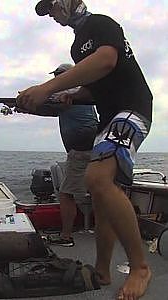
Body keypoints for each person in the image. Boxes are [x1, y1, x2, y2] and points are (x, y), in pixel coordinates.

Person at [16, 1, 153, 299]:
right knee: (101, 197)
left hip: (133, 109)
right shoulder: (78, 46)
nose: (51, 15)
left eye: (51, 8)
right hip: (108, 119)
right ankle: (102, 271)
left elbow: (106, 61)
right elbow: (98, 88)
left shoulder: (100, 24)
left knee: (98, 178)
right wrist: (71, 95)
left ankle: (140, 267)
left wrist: (48, 87)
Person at [17, 63, 98, 246]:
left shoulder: (70, 89)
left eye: (58, 75)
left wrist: (24, 102)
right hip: (95, 146)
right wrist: (27, 109)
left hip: (81, 149)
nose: (56, 79)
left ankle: (66, 237)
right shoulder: (76, 95)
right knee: (98, 191)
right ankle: (106, 230)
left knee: (66, 193)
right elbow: (51, 110)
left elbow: (45, 101)